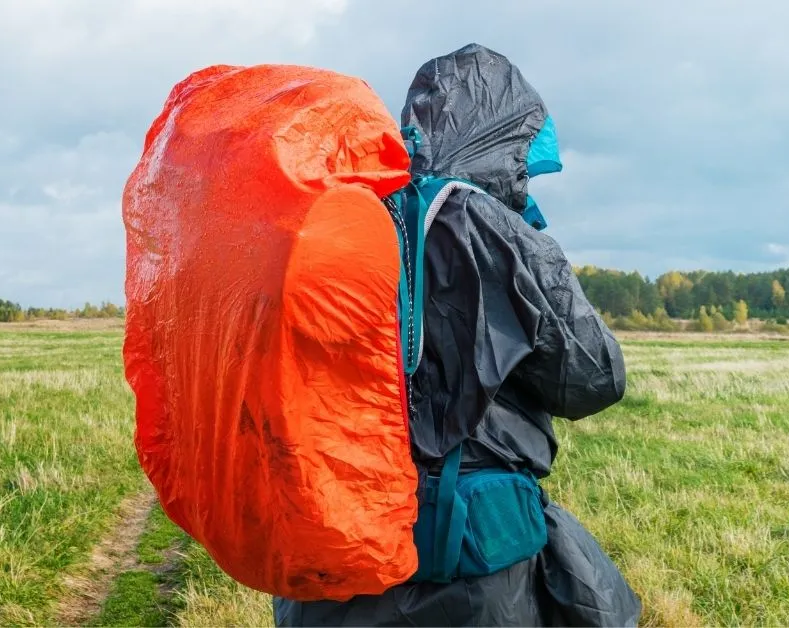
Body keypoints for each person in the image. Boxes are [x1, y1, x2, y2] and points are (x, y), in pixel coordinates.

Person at [273, 44, 642, 627]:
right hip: (470, 562)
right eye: (523, 153)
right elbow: (593, 379)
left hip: (336, 540)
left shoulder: (339, 219)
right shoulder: (495, 228)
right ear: (500, 139)